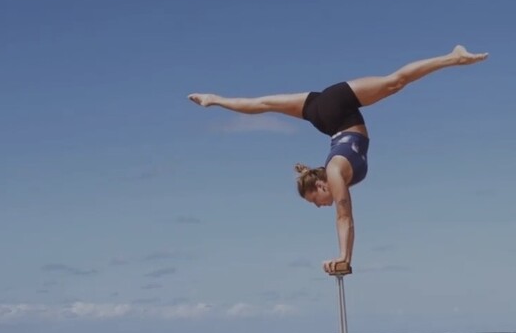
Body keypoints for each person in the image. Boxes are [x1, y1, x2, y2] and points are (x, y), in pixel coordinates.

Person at [188, 45, 489, 274]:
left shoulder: (334, 173)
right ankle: (214, 99)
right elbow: (342, 209)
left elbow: (344, 216)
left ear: (320, 185)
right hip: (326, 118)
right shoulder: (334, 172)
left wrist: (345, 257)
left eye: (314, 200)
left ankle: (454, 57)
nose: (319, 205)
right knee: (264, 104)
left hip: (335, 109)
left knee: (394, 82)